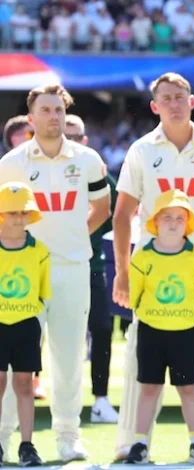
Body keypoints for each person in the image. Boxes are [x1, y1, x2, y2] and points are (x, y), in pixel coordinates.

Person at [112, 72, 194, 461]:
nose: (173, 103)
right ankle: (132, 443)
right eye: (166, 98)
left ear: (192, 101)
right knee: (142, 356)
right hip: (152, 269)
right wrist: (123, 272)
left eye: (179, 96)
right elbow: (122, 216)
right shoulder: (141, 150)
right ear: (155, 106)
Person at [0, 85, 111, 462]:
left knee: (69, 356)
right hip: (21, 273)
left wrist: (75, 238)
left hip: (70, 268)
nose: (53, 116)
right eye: (45, 110)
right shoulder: (11, 163)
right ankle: (3, 439)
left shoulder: (87, 159)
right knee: (12, 361)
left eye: (59, 110)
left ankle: (67, 437)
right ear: (30, 117)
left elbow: (101, 207)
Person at [124, 189, 194, 464]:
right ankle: (139, 444)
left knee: (189, 389)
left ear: (188, 223)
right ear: (155, 221)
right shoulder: (142, 257)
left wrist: (181, 316)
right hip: (151, 331)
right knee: (149, 388)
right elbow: (135, 297)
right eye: (167, 217)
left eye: (179, 218)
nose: (173, 223)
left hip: (186, 332)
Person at [62, 114, 121, 423]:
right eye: (66, 135)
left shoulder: (96, 171)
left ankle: (100, 399)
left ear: (84, 140)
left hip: (90, 263)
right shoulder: (44, 170)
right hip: (48, 264)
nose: (71, 141)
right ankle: (29, 398)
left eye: (76, 136)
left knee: (101, 328)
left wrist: (89, 237)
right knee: (41, 333)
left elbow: (118, 212)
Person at [0, 182, 48, 467]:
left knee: (24, 383)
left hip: (26, 325)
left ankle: (27, 446)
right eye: (11, 212)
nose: (18, 218)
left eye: (23, 212)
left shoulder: (39, 250)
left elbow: (42, 291)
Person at [0, 116, 43, 401]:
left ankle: (35, 380)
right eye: (26, 135)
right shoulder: (6, 168)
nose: (30, 140)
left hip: (35, 258)